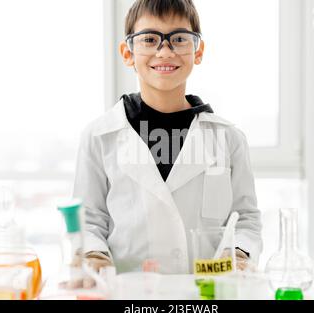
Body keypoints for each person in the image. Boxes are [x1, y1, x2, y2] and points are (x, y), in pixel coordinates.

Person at [73, 0, 263, 284]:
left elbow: (246, 218)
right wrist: (95, 255)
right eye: (149, 39)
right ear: (128, 53)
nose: (165, 51)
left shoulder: (229, 138)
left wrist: (239, 254)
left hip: (204, 294)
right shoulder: (99, 136)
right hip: (130, 292)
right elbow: (89, 220)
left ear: (197, 51)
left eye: (179, 39)